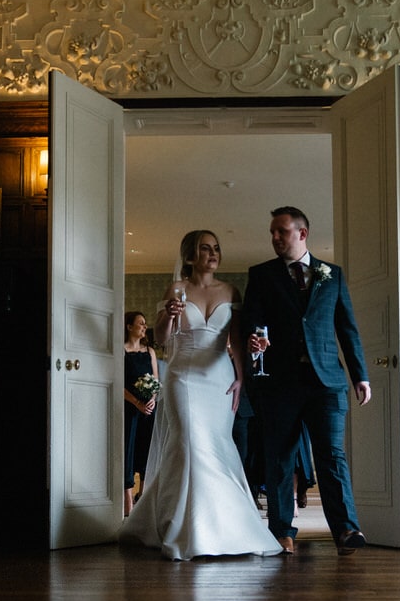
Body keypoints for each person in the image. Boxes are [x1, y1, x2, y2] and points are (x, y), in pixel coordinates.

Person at [119, 230, 283, 560]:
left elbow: (235, 340)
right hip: (183, 376)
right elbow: (163, 338)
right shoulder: (177, 289)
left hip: (219, 377)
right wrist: (169, 314)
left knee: (217, 443)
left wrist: (240, 377)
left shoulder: (230, 290)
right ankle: (184, 527)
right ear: (191, 255)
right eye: (205, 248)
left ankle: (224, 525)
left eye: (216, 248)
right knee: (189, 442)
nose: (213, 253)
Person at [242, 206, 371, 556]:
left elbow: (347, 328)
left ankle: (346, 529)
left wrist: (361, 376)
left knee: (332, 455)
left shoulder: (333, 275)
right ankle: (282, 531)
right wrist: (256, 342)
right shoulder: (262, 275)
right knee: (280, 458)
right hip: (280, 384)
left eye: (281, 231)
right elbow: (252, 323)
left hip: (327, 381)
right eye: (272, 232)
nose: (274, 238)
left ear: (302, 233)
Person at [122, 311, 158, 516]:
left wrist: (152, 398)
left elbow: (156, 379)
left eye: (145, 324)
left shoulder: (150, 351)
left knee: (147, 452)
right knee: (128, 452)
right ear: (129, 327)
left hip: (149, 410)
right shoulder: (122, 351)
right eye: (141, 324)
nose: (145, 327)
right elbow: (118, 382)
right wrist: (136, 402)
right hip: (130, 409)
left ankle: (143, 499)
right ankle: (128, 505)